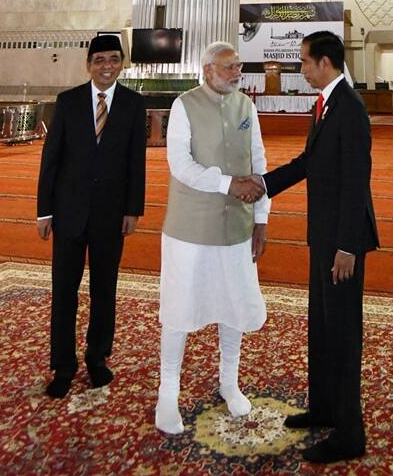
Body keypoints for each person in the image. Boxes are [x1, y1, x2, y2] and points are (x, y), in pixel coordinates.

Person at [261, 31, 379, 463]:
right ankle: (325, 407)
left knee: (343, 333)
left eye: (304, 62)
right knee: (322, 325)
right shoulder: (325, 104)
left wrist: (348, 246)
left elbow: (355, 182)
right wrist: (264, 186)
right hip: (324, 236)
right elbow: (310, 163)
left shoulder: (348, 108)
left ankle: (350, 434)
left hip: (342, 243)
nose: (301, 69)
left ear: (324, 62)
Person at [155, 41, 270, 434]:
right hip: (190, 229)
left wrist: (261, 218)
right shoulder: (184, 106)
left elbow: (258, 163)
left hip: (236, 229)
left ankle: (229, 381)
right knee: (179, 309)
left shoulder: (246, 107)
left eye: (238, 67)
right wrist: (227, 184)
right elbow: (180, 165)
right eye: (227, 68)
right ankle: (167, 393)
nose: (236, 73)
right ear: (207, 70)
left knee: (234, 304)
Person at [36, 34, 147, 399]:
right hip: (68, 214)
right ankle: (63, 367)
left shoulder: (133, 105)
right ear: (89, 64)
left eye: (114, 59)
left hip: (111, 216)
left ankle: (98, 359)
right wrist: (45, 212)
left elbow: (136, 163)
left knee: (104, 291)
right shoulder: (67, 102)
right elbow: (50, 160)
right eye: (100, 60)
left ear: (121, 63)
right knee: (64, 292)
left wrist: (133, 208)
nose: (107, 66)